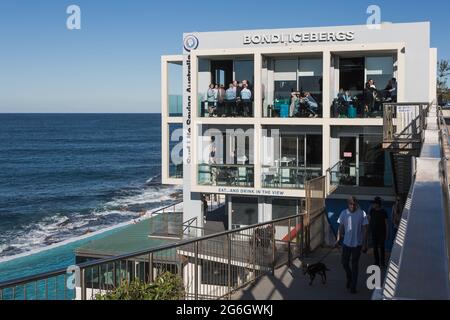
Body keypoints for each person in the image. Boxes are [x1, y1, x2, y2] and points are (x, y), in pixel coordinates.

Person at [335, 196, 369, 294]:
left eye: (354, 204)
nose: (353, 206)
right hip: (346, 244)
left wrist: (364, 244)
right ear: (348, 204)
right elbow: (340, 227)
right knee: (344, 263)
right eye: (351, 204)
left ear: (356, 204)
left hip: (357, 244)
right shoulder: (343, 213)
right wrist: (337, 240)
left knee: (355, 265)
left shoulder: (362, 213)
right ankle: (349, 277)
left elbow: (365, 230)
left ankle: (353, 286)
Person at [368, 197, 388, 268]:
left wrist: (387, 233)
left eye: (374, 203)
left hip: (382, 233)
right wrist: (368, 231)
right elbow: (369, 220)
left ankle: (382, 262)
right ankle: (376, 262)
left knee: (382, 248)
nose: (373, 204)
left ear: (378, 204)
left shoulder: (383, 211)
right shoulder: (372, 211)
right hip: (374, 232)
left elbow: (386, 223)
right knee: (375, 248)